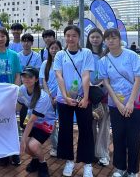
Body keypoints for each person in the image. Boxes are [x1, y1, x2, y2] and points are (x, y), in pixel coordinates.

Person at [98, 28, 140, 177]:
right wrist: (117, 103)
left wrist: (130, 102)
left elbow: (138, 78)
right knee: (118, 136)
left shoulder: (132, 55)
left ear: (119, 39)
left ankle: (133, 171)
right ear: (105, 41)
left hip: (135, 102)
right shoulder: (103, 61)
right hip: (114, 103)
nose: (111, 41)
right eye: (108, 38)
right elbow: (106, 82)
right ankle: (120, 167)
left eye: (114, 38)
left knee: (134, 138)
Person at [53, 25, 95, 177]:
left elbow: (85, 75)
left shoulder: (86, 53)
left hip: (83, 99)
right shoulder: (60, 55)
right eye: (68, 35)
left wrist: (84, 97)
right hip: (64, 99)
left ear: (79, 37)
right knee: (65, 130)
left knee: (86, 130)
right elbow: (59, 76)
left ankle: (87, 163)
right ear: (65, 37)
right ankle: (69, 160)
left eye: (74, 36)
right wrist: (64, 96)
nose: (71, 38)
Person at [0, 27, 22, 167]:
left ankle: (14, 154)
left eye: (3, 36)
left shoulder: (14, 55)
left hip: (10, 96)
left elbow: (18, 74)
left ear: (7, 38)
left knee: (10, 125)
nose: (0, 39)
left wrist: (15, 90)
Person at [17, 67, 56, 177]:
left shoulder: (43, 97)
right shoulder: (21, 89)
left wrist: (23, 141)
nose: (26, 79)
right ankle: (35, 159)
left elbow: (31, 121)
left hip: (45, 123)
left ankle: (43, 164)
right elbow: (18, 107)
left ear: (36, 79)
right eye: (24, 76)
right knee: (27, 147)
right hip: (32, 121)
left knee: (31, 145)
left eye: (30, 77)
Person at [86, 28, 110, 167]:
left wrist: (101, 84)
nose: (95, 39)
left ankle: (103, 154)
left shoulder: (107, 54)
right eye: (92, 37)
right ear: (89, 39)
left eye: (97, 37)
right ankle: (92, 152)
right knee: (91, 124)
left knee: (104, 125)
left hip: (104, 94)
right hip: (89, 94)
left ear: (102, 38)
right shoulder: (85, 53)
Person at [39, 40, 62, 157]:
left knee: (63, 123)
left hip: (61, 97)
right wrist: (49, 96)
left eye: (56, 48)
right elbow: (43, 81)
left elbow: (64, 81)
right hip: (49, 99)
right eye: (52, 48)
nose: (53, 50)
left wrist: (58, 96)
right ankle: (55, 146)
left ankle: (63, 147)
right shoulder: (45, 64)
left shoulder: (63, 62)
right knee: (51, 123)